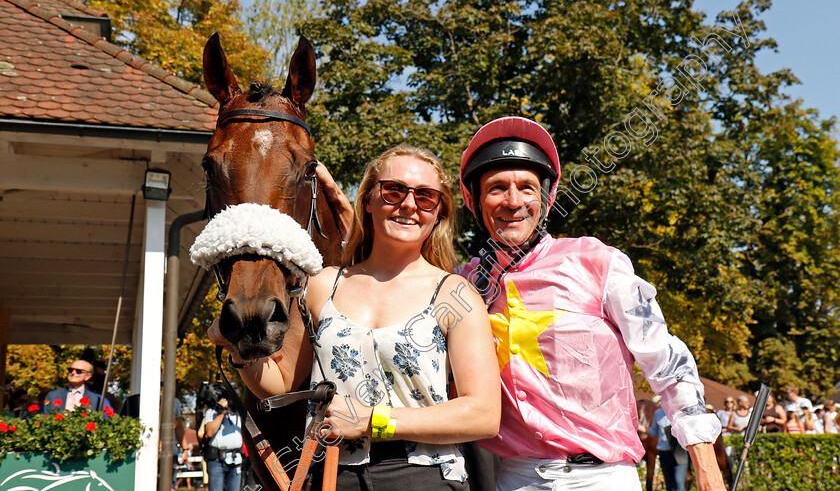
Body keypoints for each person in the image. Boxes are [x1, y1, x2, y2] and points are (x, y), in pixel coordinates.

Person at [451, 116, 725, 490]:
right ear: (473, 199)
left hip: (604, 477)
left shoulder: (598, 262)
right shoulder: (463, 285)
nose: (513, 202)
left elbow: (669, 366)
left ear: (547, 198)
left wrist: (708, 472)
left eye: (527, 188)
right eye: (496, 188)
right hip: (516, 479)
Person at [209, 145, 500, 489]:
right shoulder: (321, 285)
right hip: (330, 475)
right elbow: (281, 382)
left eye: (425, 196)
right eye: (393, 190)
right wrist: (239, 347)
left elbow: (483, 414)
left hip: (425, 476)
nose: (408, 204)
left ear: (439, 213)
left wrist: (374, 422)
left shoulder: (455, 293)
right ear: (367, 200)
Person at [203, 389, 243, 491]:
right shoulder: (211, 412)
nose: (230, 400)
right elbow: (209, 432)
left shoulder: (238, 414)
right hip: (217, 461)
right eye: (227, 397)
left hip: (235, 459)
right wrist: (221, 413)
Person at [43, 359, 111, 413]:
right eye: (71, 370)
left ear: (88, 376)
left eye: (79, 371)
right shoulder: (52, 396)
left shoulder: (98, 400)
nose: (73, 372)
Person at [649, 399, 688, 491]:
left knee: (679, 483)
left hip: (679, 452)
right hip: (664, 453)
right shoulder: (658, 413)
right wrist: (640, 427)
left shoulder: (681, 412)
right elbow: (654, 432)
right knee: (669, 484)